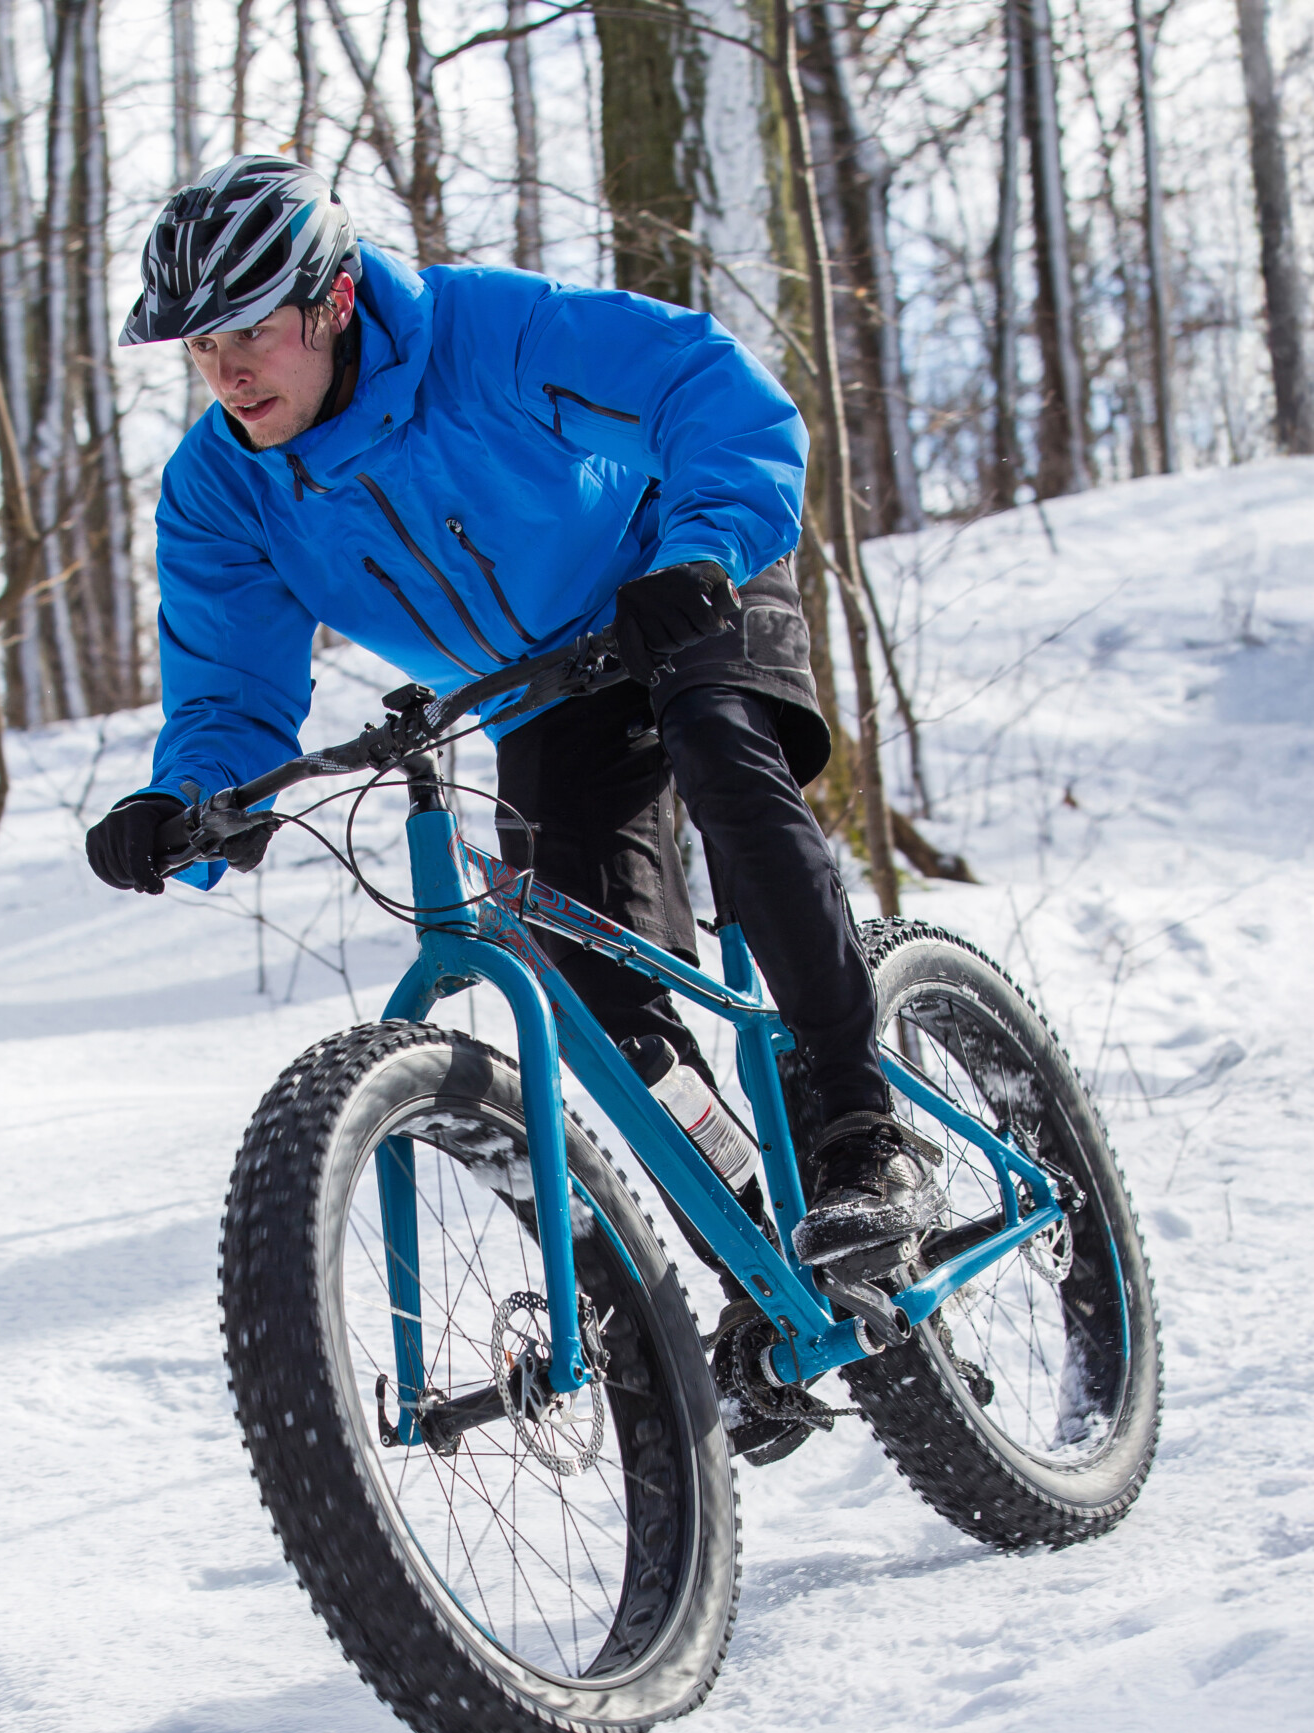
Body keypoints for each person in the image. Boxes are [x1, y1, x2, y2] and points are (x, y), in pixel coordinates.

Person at [86, 155, 940, 1281]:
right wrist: (187, 801)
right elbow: (229, 685)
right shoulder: (221, 489)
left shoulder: (488, 336)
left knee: (721, 752)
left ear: (333, 299)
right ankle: (756, 1250)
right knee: (595, 980)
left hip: (682, 579)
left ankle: (860, 1125)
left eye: (249, 329)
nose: (228, 370)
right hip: (547, 684)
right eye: (202, 346)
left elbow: (706, 392)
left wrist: (698, 549)